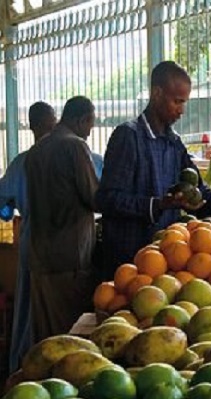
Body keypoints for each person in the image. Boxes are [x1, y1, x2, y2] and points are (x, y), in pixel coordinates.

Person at [96, 61, 211, 279]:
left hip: (167, 264)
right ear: (156, 93)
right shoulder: (128, 136)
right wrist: (159, 204)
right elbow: (107, 199)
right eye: (177, 102)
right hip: (128, 266)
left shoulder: (174, 143)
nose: (182, 111)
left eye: (184, 103)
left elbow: (199, 191)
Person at [25, 96, 99, 342]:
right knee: (71, 341)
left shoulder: (35, 152)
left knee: (46, 341)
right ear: (82, 120)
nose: (90, 132)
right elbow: (94, 198)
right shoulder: (75, 146)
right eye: (91, 124)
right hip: (71, 259)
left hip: (40, 259)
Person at [0, 102, 56, 372]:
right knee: (56, 310)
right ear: (54, 123)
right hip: (63, 242)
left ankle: (21, 367)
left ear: (31, 126)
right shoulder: (74, 153)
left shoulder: (20, 162)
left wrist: (10, 211)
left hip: (30, 240)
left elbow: (3, 207)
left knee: (26, 308)